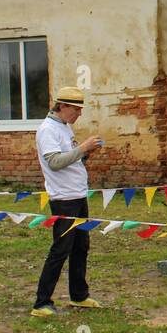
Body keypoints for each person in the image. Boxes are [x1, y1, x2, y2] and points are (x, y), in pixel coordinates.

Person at [31, 86, 104, 316]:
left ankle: (79, 295)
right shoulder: (47, 130)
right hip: (64, 199)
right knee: (60, 249)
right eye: (76, 109)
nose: (79, 114)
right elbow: (54, 162)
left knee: (81, 247)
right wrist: (82, 147)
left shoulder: (65, 127)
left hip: (78, 194)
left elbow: (70, 159)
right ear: (62, 106)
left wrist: (85, 153)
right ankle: (42, 302)